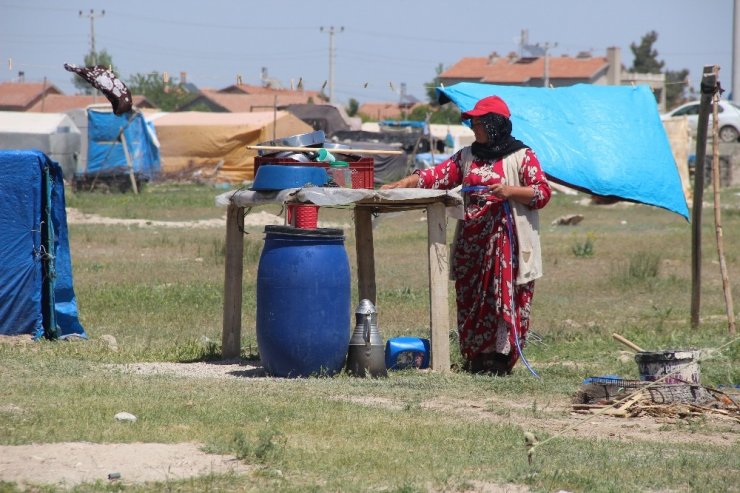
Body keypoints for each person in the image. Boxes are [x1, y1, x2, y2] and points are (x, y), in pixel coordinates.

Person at [381, 95, 551, 375]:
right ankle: (476, 357)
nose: (474, 127)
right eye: (472, 122)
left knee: (501, 297)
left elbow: (542, 193)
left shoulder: (522, 156)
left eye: (479, 122)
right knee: (472, 298)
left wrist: (510, 191)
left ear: (495, 124)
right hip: (472, 243)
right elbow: (437, 176)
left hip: (505, 241)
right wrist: (402, 183)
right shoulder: (468, 156)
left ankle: (499, 358)